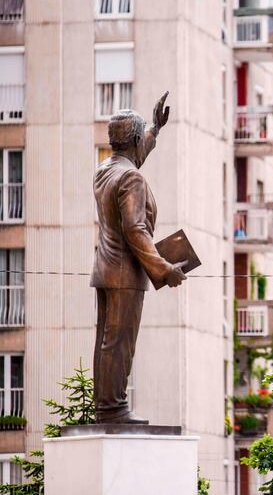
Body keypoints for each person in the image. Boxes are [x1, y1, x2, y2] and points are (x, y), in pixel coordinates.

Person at [90, 92, 186, 424]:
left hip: (105, 268)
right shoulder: (131, 177)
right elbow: (135, 228)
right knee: (120, 343)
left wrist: (155, 129)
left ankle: (105, 406)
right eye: (141, 135)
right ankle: (113, 408)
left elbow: (133, 157)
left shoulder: (107, 169)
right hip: (125, 272)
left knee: (107, 340)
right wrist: (164, 268)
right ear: (132, 139)